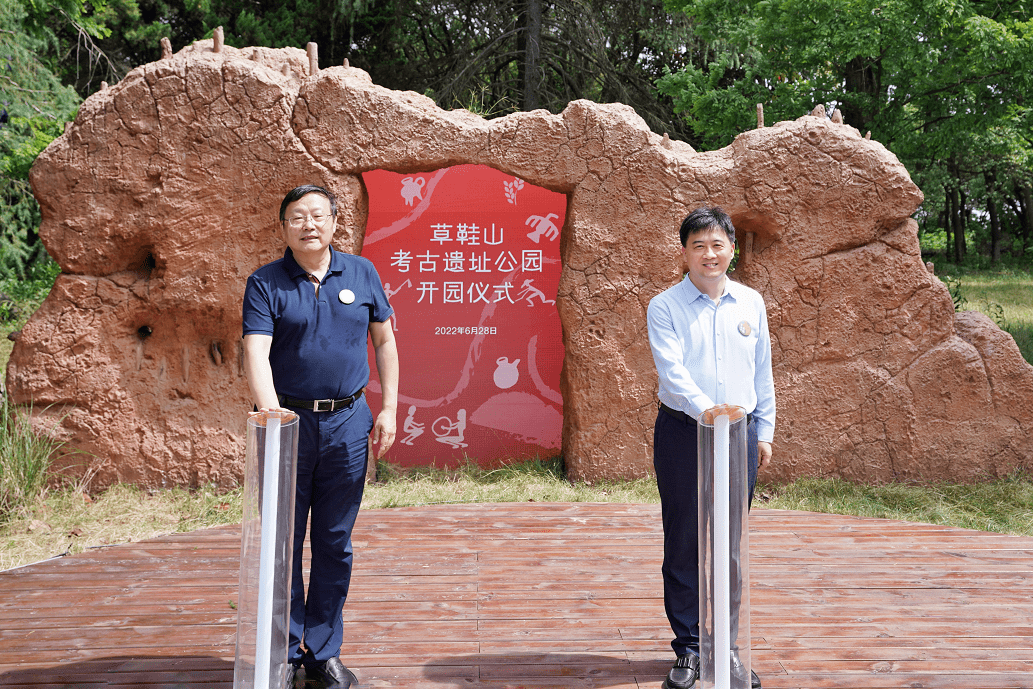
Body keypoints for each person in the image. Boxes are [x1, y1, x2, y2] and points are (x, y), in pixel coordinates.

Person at [242, 184, 398, 688]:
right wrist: (270, 413)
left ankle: (325, 651)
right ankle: (286, 652)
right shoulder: (266, 283)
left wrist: (389, 408)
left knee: (335, 540)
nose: (308, 224)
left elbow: (385, 342)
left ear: (335, 221)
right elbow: (256, 351)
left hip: (348, 423)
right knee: (284, 543)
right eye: (296, 217)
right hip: (286, 425)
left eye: (317, 215)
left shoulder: (362, 273)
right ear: (283, 226)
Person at [647, 207, 775, 689]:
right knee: (685, 540)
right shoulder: (665, 306)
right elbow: (672, 372)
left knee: (730, 545)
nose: (709, 254)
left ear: (732, 250)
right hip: (684, 431)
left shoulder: (751, 304)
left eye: (718, 244)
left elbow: (762, 371)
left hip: (738, 436)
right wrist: (708, 411)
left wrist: (763, 430)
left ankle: (728, 648)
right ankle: (689, 649)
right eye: (698, 245)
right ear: (683, 253)